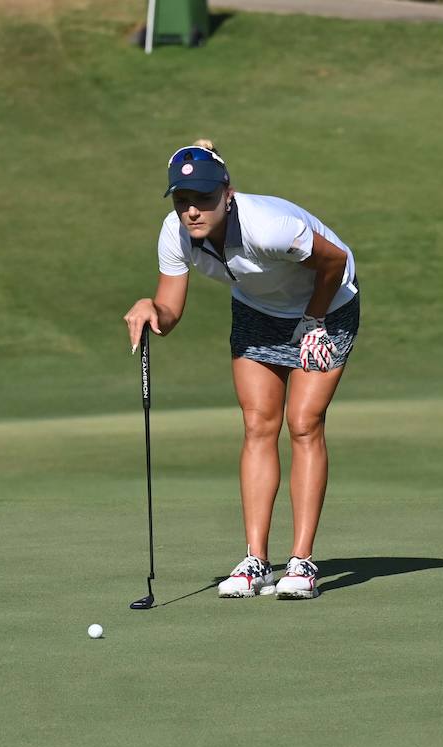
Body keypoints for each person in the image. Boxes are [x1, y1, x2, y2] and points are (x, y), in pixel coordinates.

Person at [122, 142, 360, 602]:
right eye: (182, 200)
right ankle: (256, 562)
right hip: (257, 313)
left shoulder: (270, 227)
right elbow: (170, 311)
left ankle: (302, 563)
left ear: (227, 194)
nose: (192, 210)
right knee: (257, 425)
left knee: (304, 424)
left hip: (326, 305)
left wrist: (313, 322)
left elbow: (333, 262)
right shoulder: (174, 233)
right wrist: (150, 307)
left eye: (203, 199)